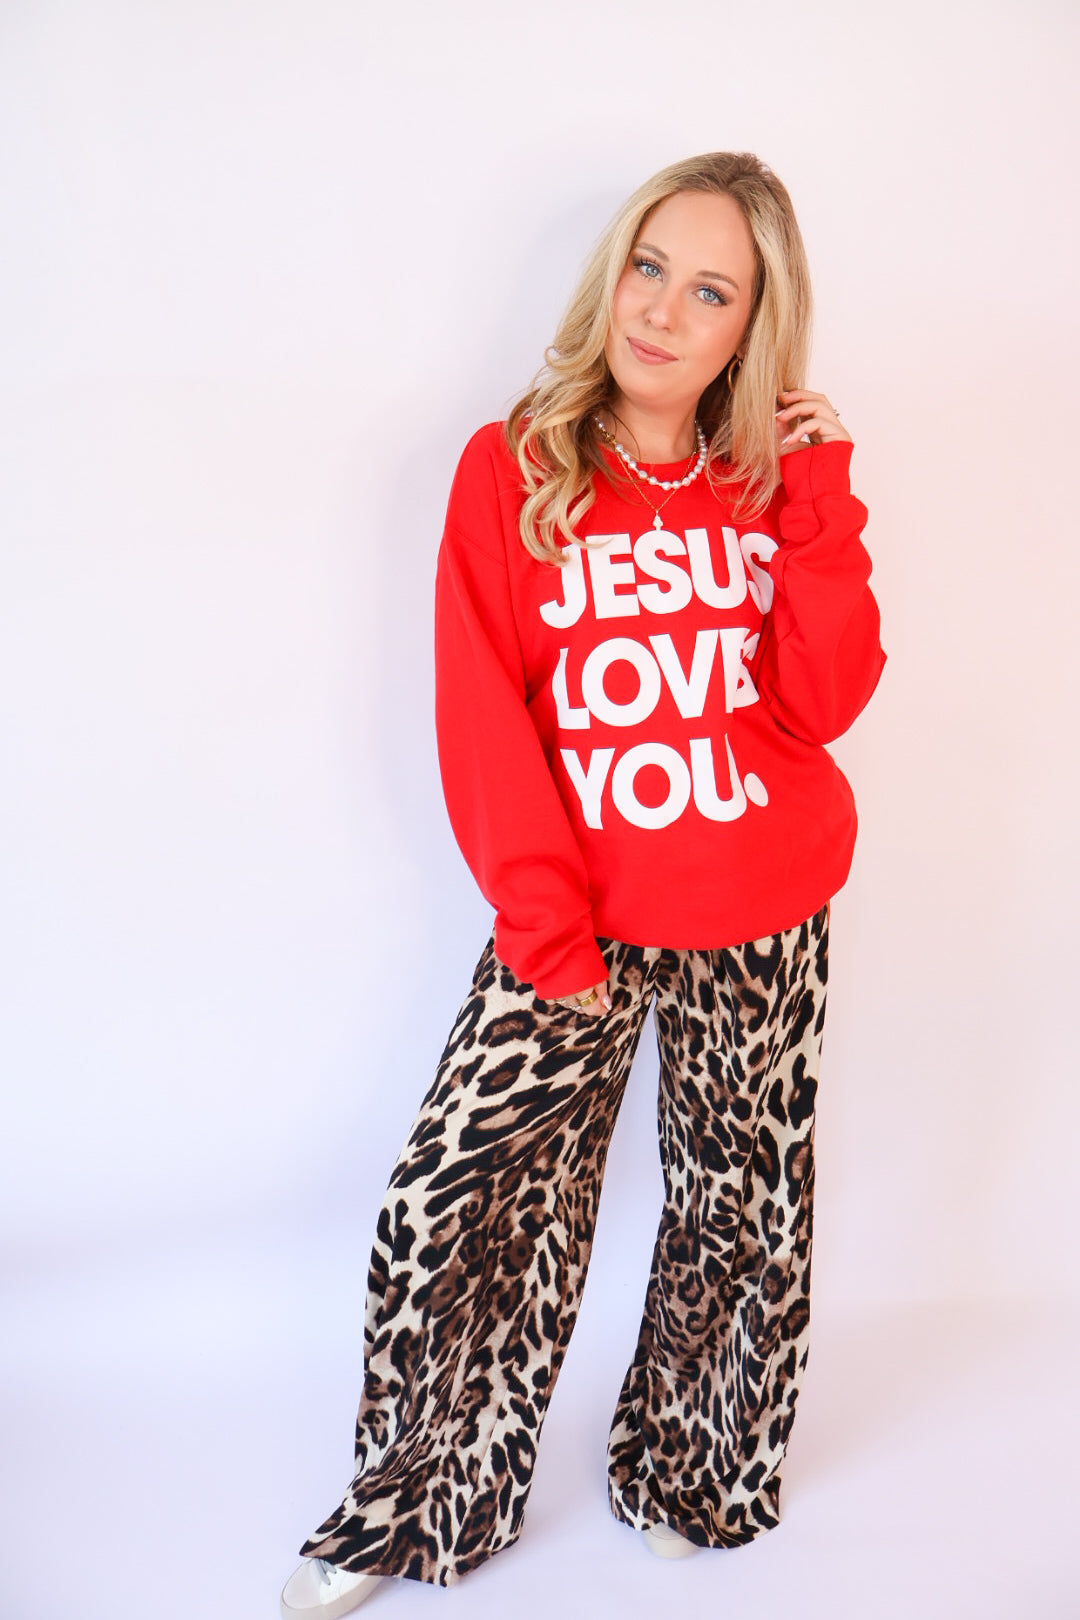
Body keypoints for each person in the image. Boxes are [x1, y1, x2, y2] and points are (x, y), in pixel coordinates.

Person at [280, 149, 886, 1617]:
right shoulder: (515, 467)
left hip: (764, 900)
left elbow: (823, 701)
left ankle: (693, 1472)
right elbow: (483, 715)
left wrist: (819, 496)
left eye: (711, 291)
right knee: (466, 1200)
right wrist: (547, 925)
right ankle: (421, 1507)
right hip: (579, 922)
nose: (664, 310)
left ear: (752, 327)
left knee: (741, 1208)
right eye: (648, 267)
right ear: (613, 273)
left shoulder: (767, 485)